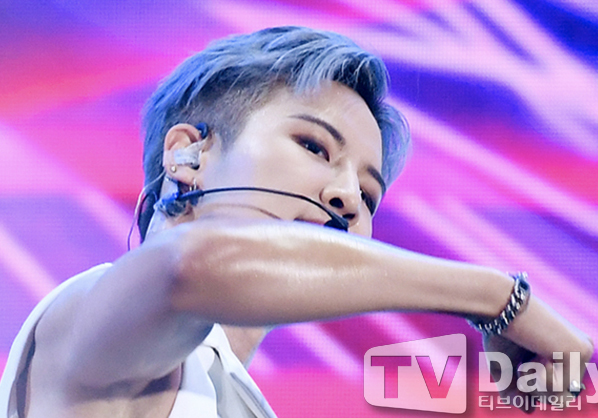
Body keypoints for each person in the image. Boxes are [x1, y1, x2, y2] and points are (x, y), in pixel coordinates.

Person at [0, 26, 593, 418]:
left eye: (369, 193)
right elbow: (194, 265)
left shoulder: (233, 394)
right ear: (188, 154)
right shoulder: (87, 316)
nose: (347, 198)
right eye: (314, 146)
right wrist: (494, 296)